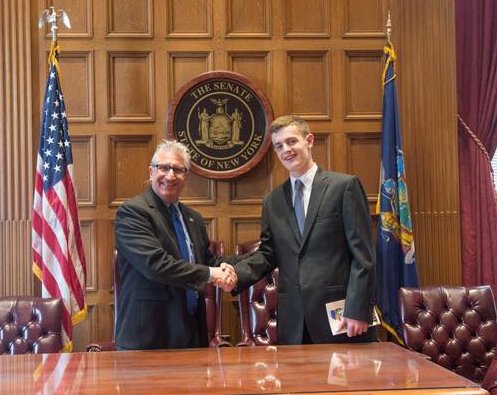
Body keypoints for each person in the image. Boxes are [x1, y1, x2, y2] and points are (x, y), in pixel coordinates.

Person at [230, 115, 376, 344]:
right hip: (294, 322)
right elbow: (268, 254)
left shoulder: (343, 187)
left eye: (291, 141)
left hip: (342, 318)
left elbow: (363, 256)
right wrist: (234, 275)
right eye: (279, 146)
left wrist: (358, 310)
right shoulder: (273, 201)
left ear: (309, 140)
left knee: (348, 380)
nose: (286, 150)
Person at [114, 140, 237, 350]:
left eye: (178, 170)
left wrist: (236, 267)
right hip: (147, 338)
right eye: (163, 167)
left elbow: (206, 261)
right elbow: (155, 265)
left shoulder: (193, 218)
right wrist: (212, 274)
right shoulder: (133, 213)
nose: (170, 175)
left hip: (190, 333)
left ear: (186, 177)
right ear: (151, 172)